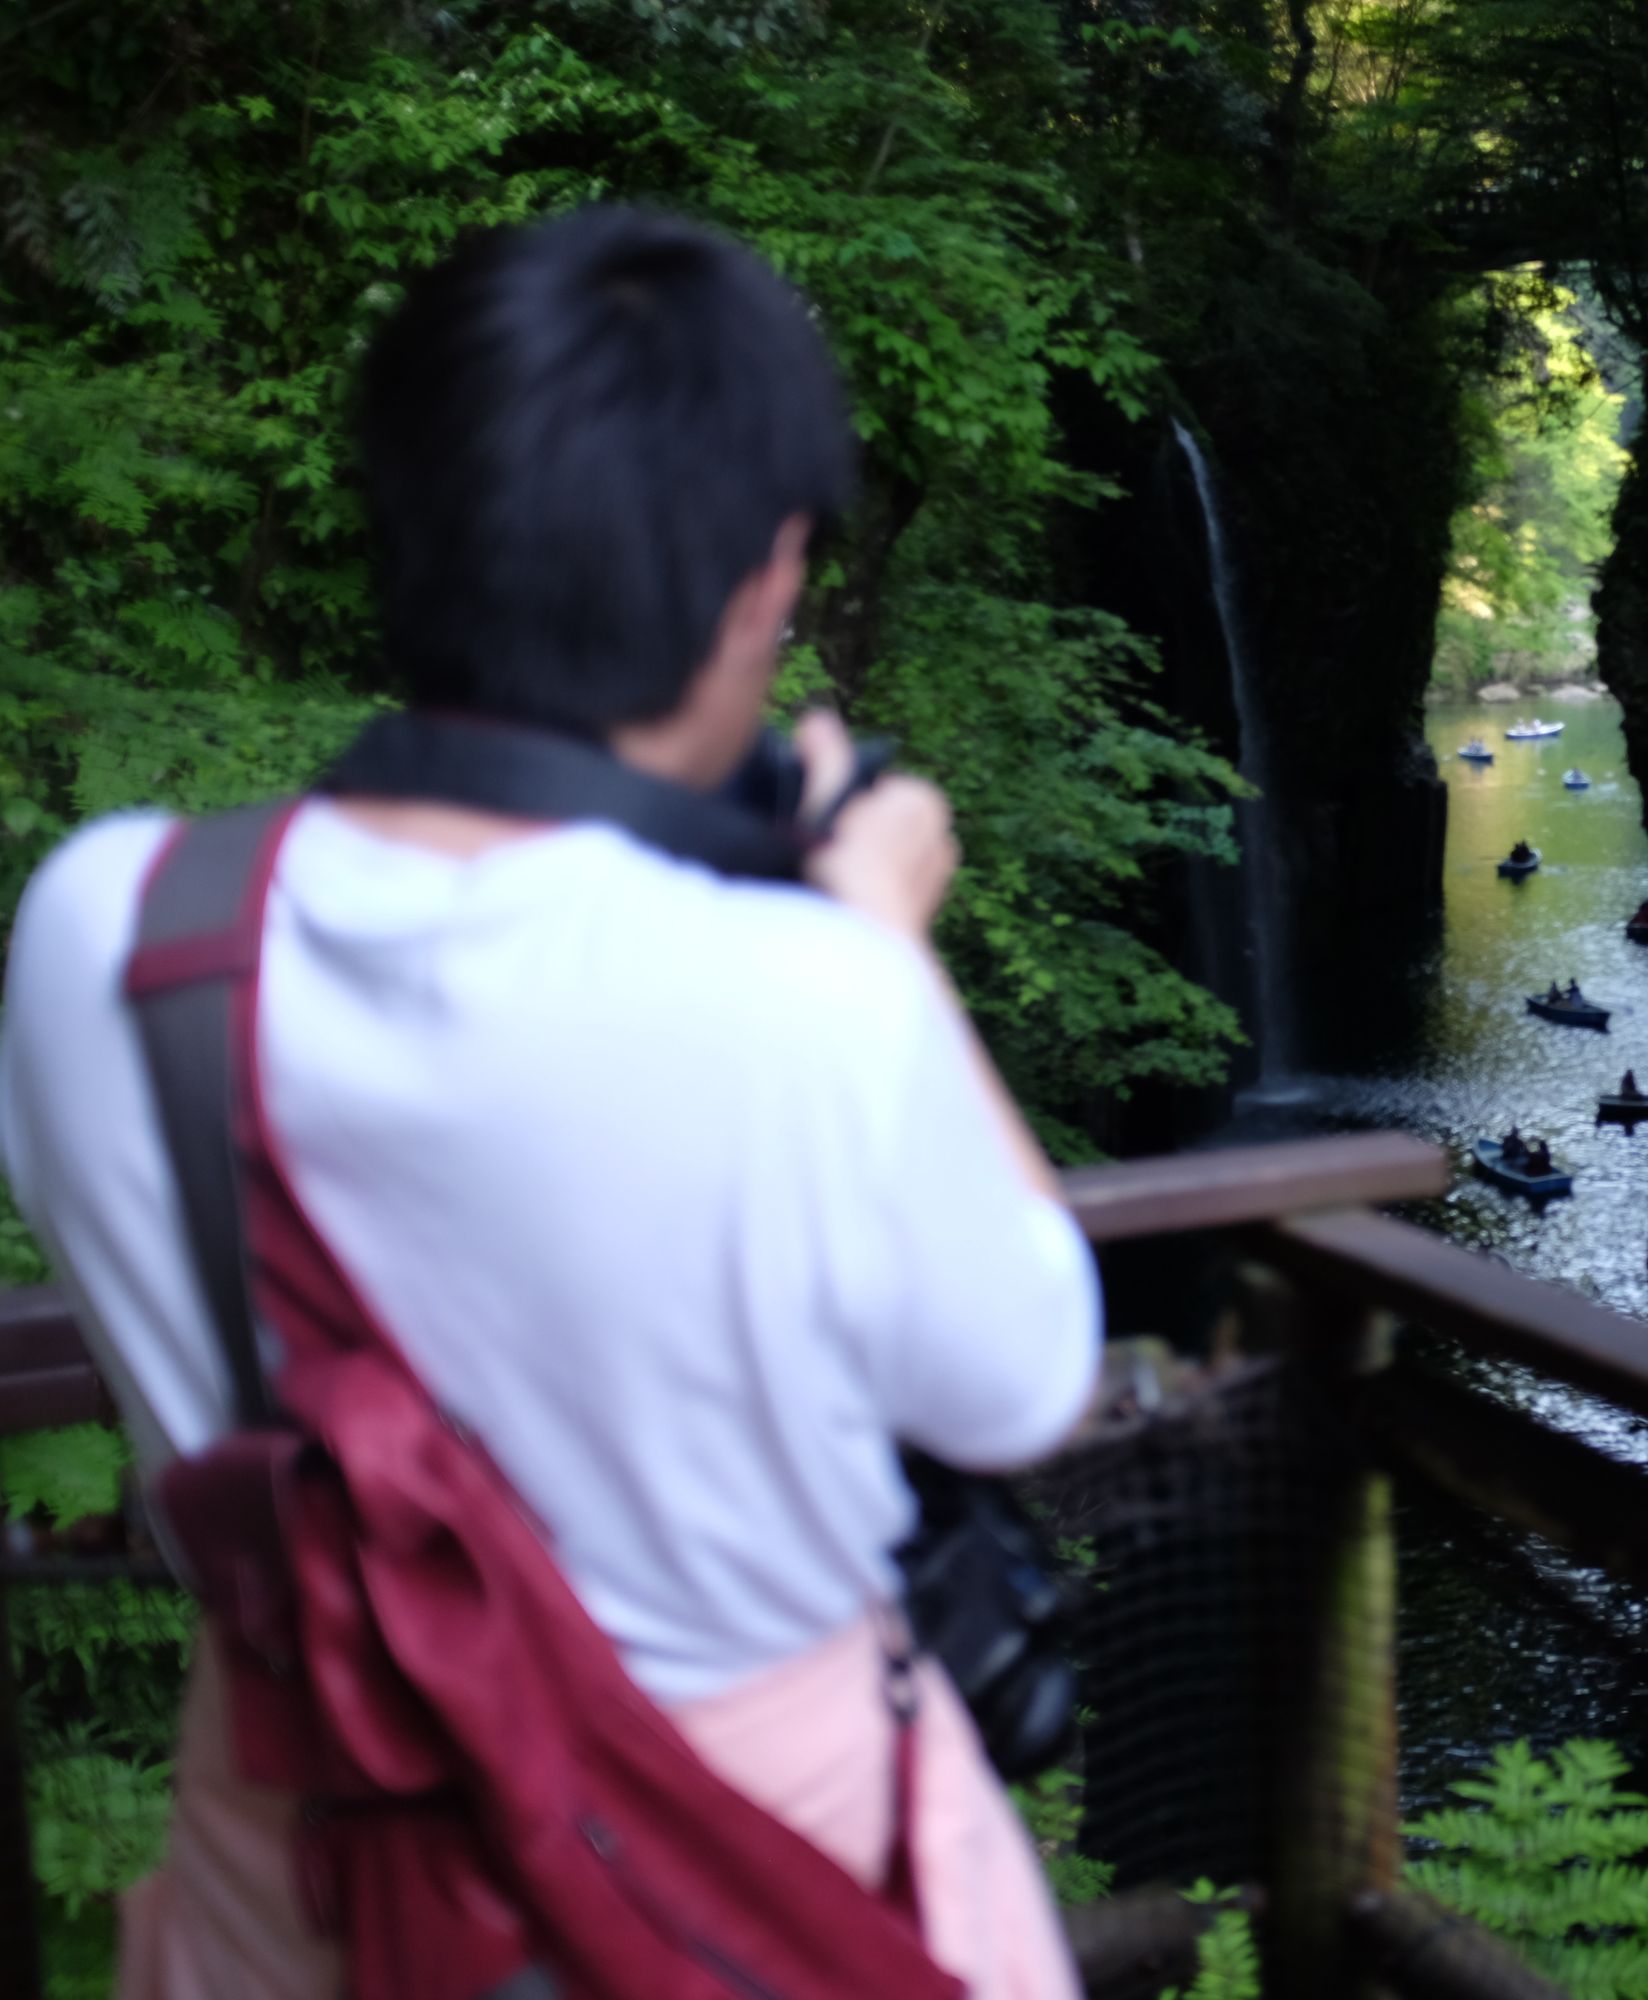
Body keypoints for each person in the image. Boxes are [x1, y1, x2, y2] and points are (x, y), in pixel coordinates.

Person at [0, 210, 1093, 1999]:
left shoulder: (110, 930)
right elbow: (1027, 1373)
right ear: (767, 580)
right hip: (758, 1880)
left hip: (312, 1872)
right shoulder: (808, 995)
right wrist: (889, 940)